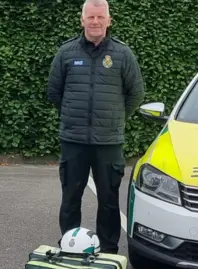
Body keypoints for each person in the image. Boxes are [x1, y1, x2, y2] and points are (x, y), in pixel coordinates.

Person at [46, 0, 145, 254]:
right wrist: (73, 117)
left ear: (109, 20)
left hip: (108, 142)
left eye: (100, 17)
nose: (95, 21)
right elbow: (54, 92)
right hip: (73, 141)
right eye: (91, 17)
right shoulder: (66, 53)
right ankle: (70, 246)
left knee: (109, 201)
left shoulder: (123, 54)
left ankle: (109, 250)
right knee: (70, 199)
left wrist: (115, 117)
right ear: (82, 20)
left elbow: (136, 93)